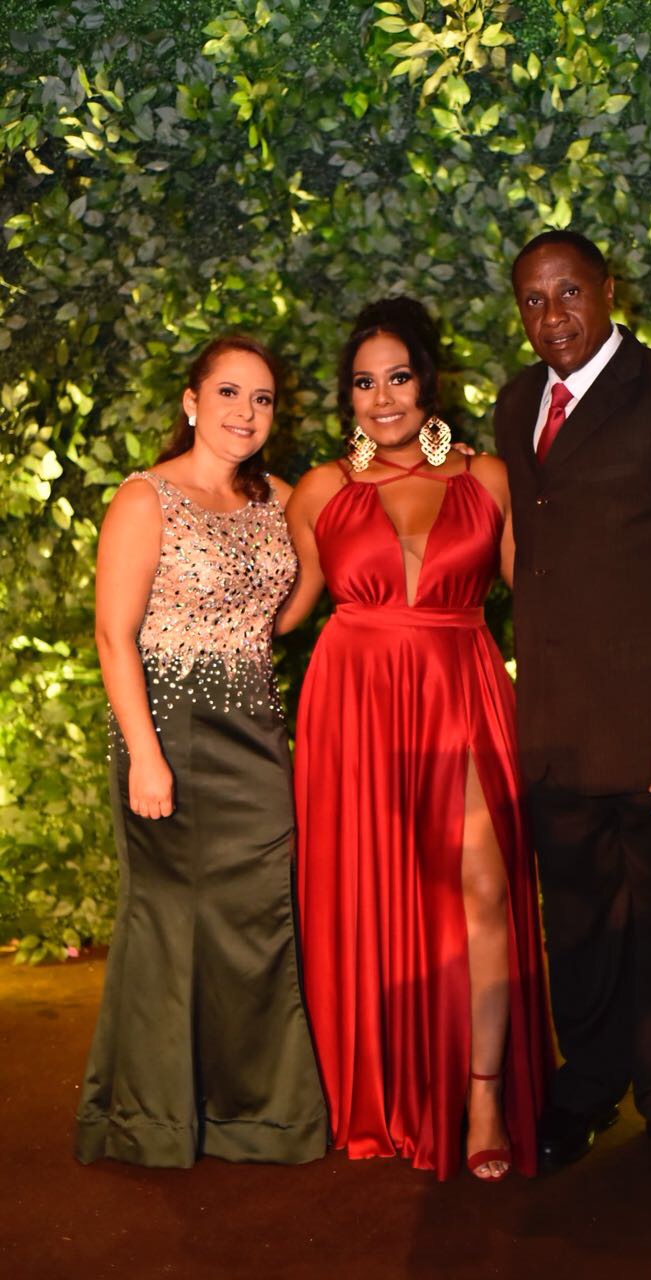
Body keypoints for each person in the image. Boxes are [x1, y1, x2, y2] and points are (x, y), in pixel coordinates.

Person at [494, 230, 651, 1186]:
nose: (551, 315)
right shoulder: (518, 402)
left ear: (607, 289)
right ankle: (589, 1085)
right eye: (532, 300)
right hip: (558, 728)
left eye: (568, 293)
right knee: (581, 924)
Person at [279, 297, 549, 1181]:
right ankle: (378, 1090)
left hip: (463, 690)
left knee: (482, 890)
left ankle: (480, 1093)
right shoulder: (320, 490)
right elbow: (289, 610)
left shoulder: (493, 479)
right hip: (352, 706)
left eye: (397, 377)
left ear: (428, 381)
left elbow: (542, 613)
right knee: (369, 897)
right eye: (363, 382)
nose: (382, 398)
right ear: (348, 397)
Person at [74, 336, 328, 1168]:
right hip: (169, 730)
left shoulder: (280, 498)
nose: (244, 413)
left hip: (254, 732)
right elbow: (114, 638)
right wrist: (146, 758)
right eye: (228, 393)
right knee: (167, 921)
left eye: (261, 400)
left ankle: (256, 1116)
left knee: (257, 923)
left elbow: (290, 606)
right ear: (191, 402)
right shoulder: (145, 498)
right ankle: (148, 1119)